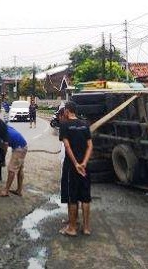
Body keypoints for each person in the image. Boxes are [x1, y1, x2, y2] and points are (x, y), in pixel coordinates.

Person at [59, 101, 93, 237]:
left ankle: (72, 228)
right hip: (85, 167)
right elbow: (90, 146)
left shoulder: (64, 125)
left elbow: (67, 147)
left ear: (67, 111)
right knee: (85, 197)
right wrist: (84, 163)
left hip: (71, 167)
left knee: (72, 196)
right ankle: (86, 228)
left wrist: (76, 164)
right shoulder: (85, 124)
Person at [0, 125, 28, 197]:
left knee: (11, 169)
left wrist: (3, 159)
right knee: (19, 169)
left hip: (19, 148)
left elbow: (5, 145)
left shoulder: (2, 131)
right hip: (22, 145)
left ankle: (6, 191)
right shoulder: (6, 126)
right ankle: (19, 190)